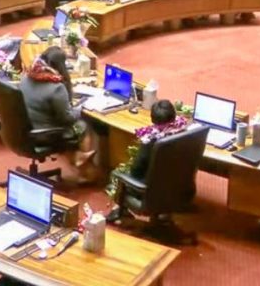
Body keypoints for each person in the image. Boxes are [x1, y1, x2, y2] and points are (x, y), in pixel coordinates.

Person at [20, 46, 97, 182]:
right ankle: (83, 171)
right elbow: (68, 119)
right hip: (44, 135)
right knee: (83, 126)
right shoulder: (56, 88)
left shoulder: (27, 76)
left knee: (67, 126)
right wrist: (80, 108)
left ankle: (77, 157)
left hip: (25, 129)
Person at [107, 100, 189, 222]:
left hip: (151, 191)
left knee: (119, 174)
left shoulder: (151, 142)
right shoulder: (185, 131)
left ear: (152, 119)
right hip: (178, 185)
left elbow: (136, 170)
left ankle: (121, 210)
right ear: (173, 115)